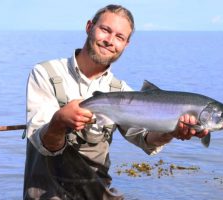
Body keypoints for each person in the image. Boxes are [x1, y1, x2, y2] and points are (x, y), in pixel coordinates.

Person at [23, 4, 208, 200]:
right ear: (89, 27)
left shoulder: (122, 92)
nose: (110, 41)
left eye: (120, 37)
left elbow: (145, 140)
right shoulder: (46, 73)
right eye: (105, 30)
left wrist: (171, 132)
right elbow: (44, 145)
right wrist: (59, 122)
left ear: (126, 44)